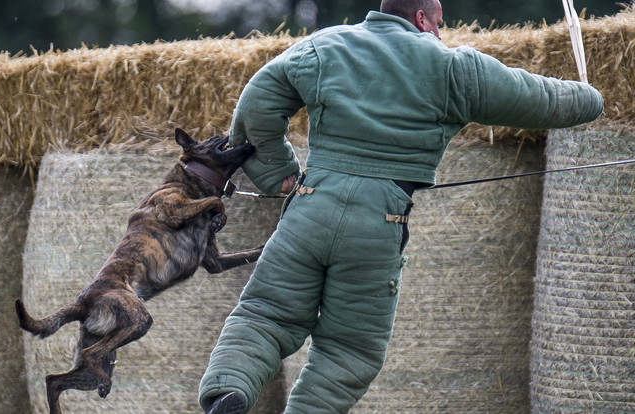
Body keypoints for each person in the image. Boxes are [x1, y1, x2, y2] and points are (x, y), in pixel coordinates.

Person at [198, 0, 604, 413]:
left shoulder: (324, 45)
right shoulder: (455, 68)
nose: (441, 35)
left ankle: (228, 390)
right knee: (349, 351)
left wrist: (277, 170)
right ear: (422, 18)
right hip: (377, 225)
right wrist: (591, 99)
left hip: (309, 210)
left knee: (265, 315)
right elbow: (541, 99)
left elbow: (257, 99)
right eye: (440, 25)